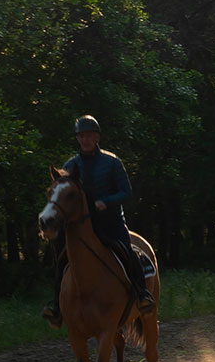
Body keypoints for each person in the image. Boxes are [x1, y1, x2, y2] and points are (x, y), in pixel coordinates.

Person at [43, 114, 156, 328]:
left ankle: (142, 296)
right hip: (81, 226)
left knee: (128, 252)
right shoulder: (69, 165)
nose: (85, 139)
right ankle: (57, 307)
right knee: (61, 259)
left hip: (110, 221)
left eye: (90, 135)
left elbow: (126, 191)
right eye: (82, 136)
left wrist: (106, 202)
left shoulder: (112, 162)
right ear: (78, 138)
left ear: (97, 137)